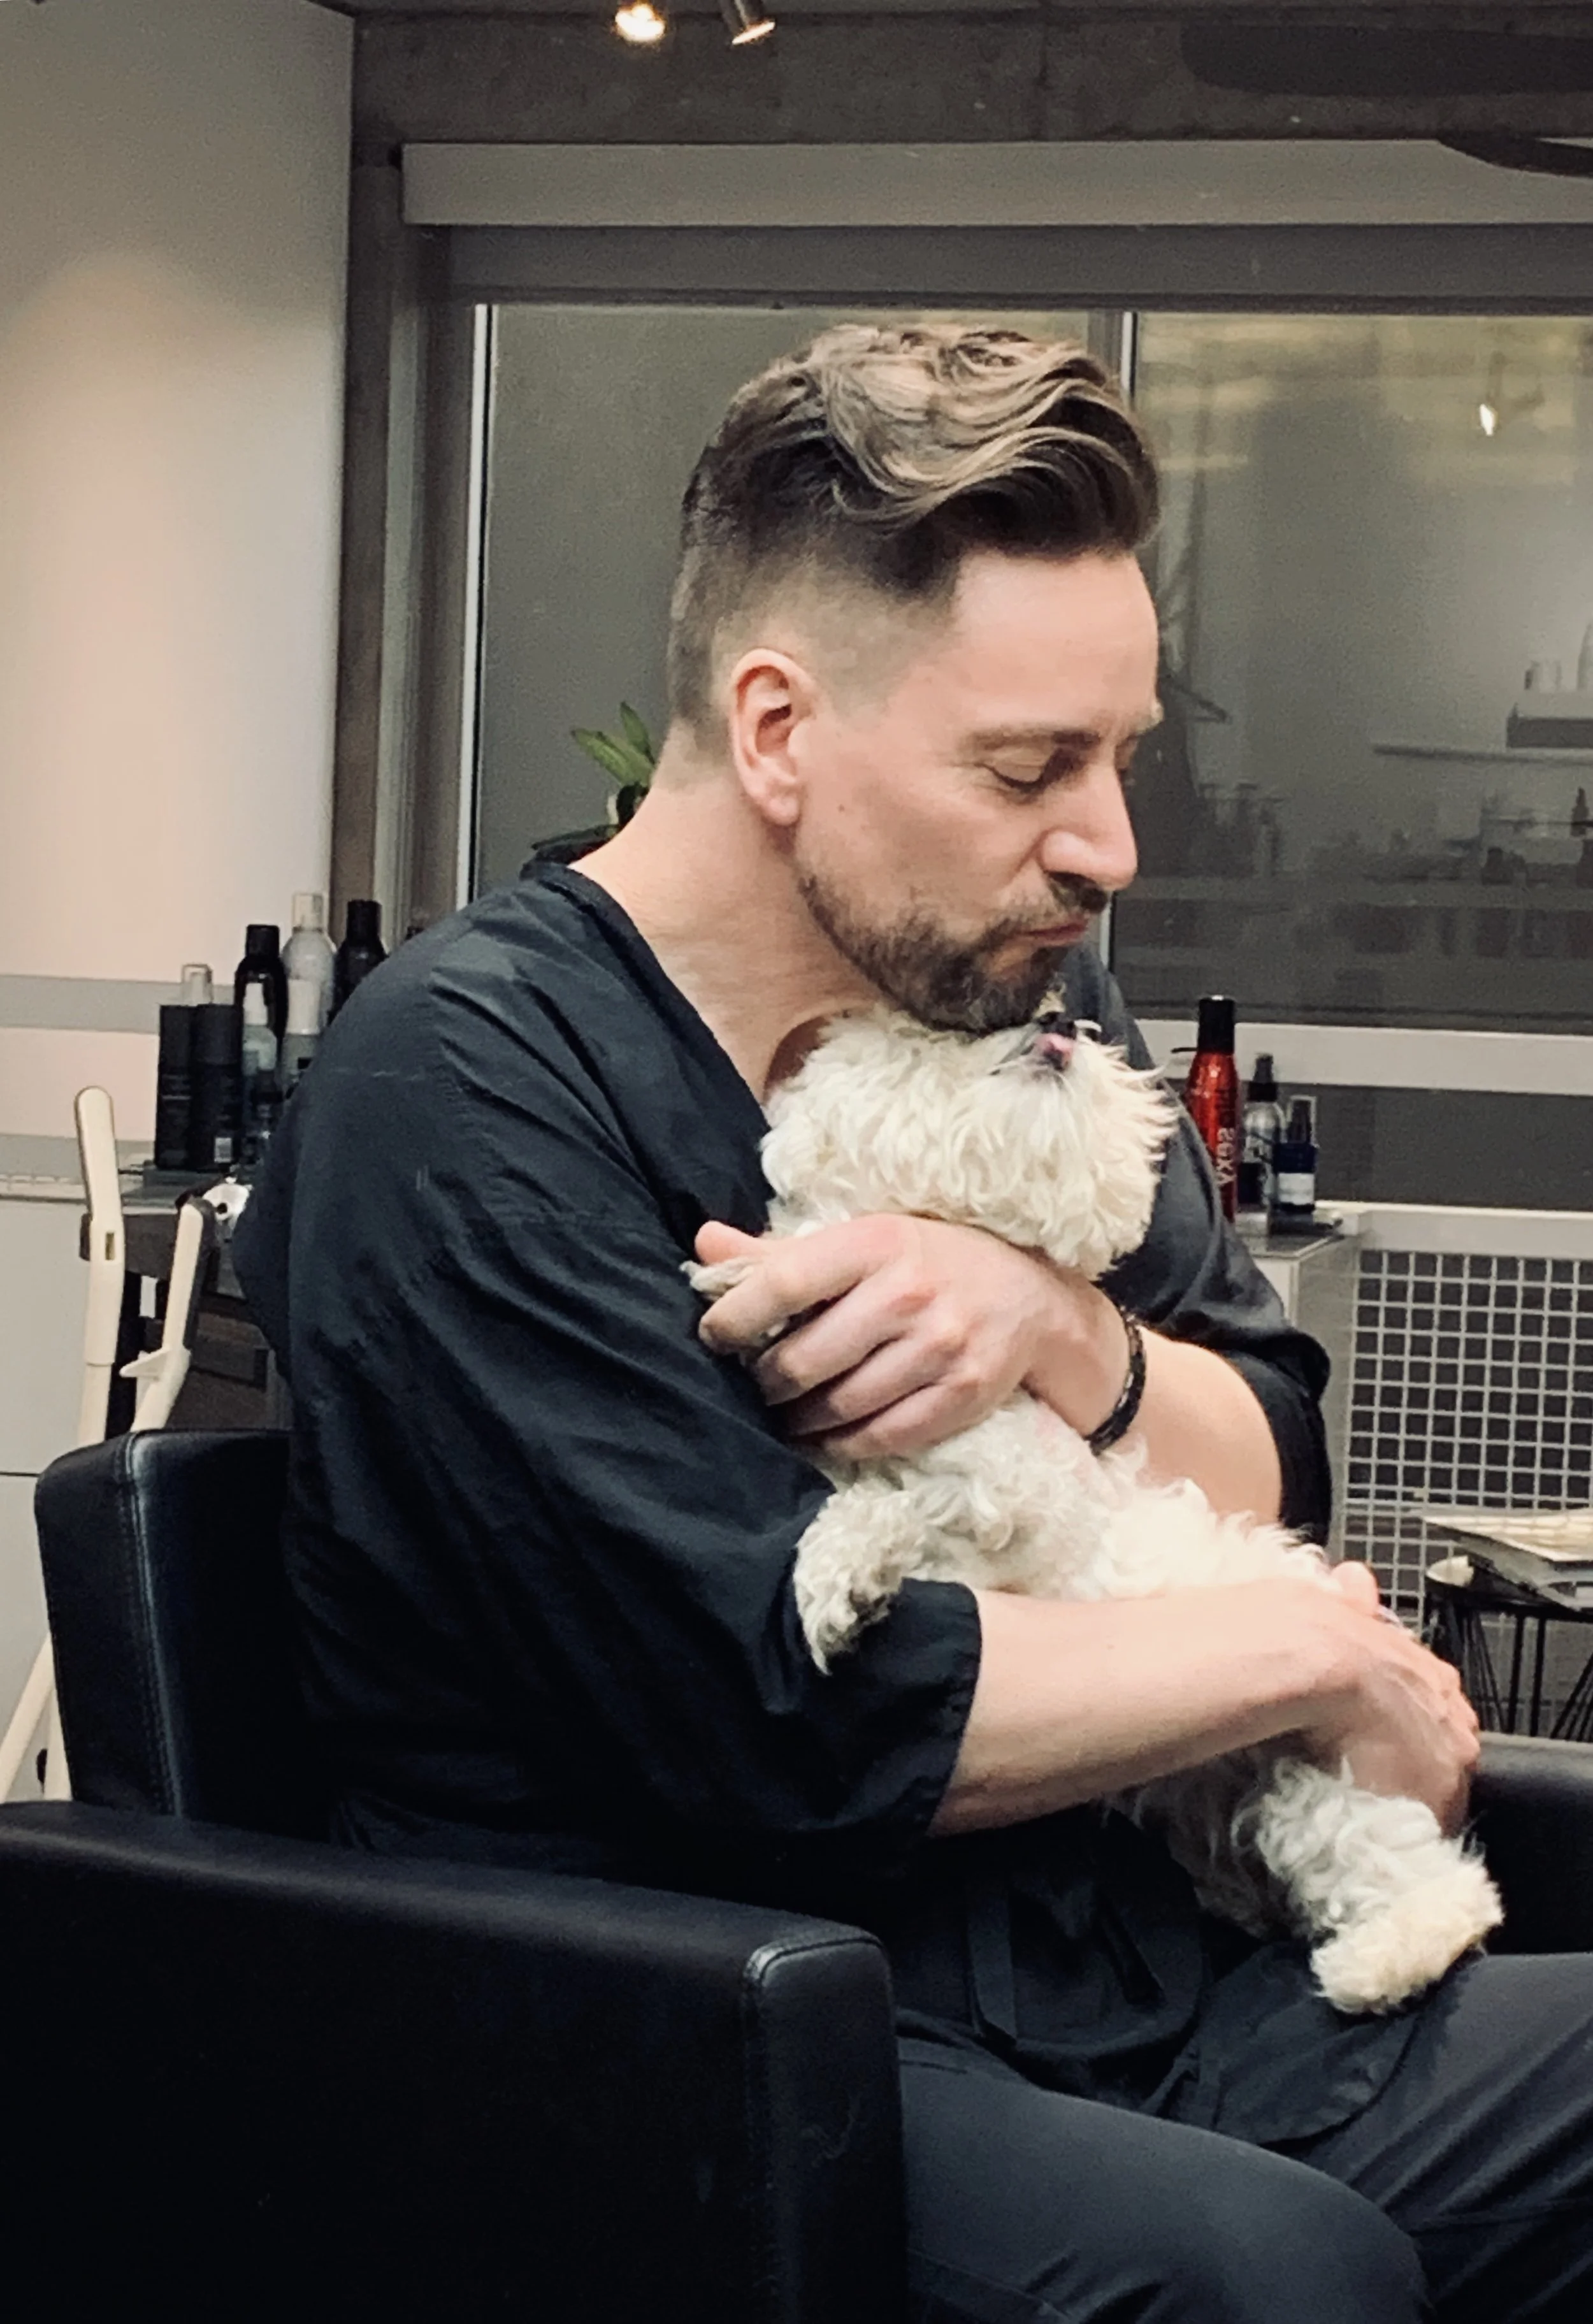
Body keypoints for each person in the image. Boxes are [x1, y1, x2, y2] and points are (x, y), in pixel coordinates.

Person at [234, 324, 1593, 2322]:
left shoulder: (1013, 997)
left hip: (1131, 1978)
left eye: (1118, 752)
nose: (1107, 847)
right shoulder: (462, 1087)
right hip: (716, 2035)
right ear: (776, 726)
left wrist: (1059, 1327)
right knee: (1272, 2280)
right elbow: (807, 1707)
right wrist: (1303, 1649)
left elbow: (1271, 1428)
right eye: (1029, 766)